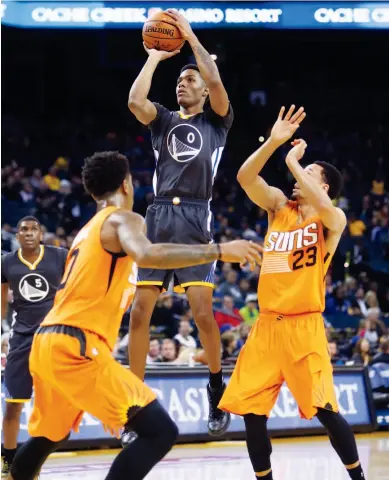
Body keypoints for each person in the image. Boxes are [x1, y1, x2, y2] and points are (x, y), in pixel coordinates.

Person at [8, 151, 261, 480]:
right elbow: (147, 253)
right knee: (160, 431)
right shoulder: (122, 219)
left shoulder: (86, 232)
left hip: (47, 344)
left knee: (49, 437)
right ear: (126, 184)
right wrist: (218, 250)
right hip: (75, 344)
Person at [219, 106, 365, 480]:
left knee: (325, 410)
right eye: (300, 174)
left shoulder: (331, 220)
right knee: (252, 413)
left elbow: (328, 209)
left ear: (325, 186)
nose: (297, 180)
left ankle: (359, 477)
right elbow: (244, 176)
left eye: (310, 175)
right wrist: (274, 142)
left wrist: (294, 163)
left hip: (305, 328)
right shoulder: (279, 207)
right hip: (267, 327)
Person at [128, 9, 234, 436]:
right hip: (158, 216)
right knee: (139, 314)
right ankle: (135, 405)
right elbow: (136, 101)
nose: (183, 83)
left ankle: (214, 386)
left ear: (204, 93)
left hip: (194, 215)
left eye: (190, 80)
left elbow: (213, 79)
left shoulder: (217, 121)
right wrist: (155, 56)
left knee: (203, 315)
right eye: (180, 80)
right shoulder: (164, 120)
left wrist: (189, 39)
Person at [1, 216, 67, 477]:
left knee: (50, 409)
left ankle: (32, 462)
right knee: (13, 405)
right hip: (21, 339)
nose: (28, 233)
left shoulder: (60, 256)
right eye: (23, 230)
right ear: (17, 236)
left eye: (33, 229)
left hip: (54, 338)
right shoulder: (6, 262)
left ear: (42, 233)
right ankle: (8, 459)